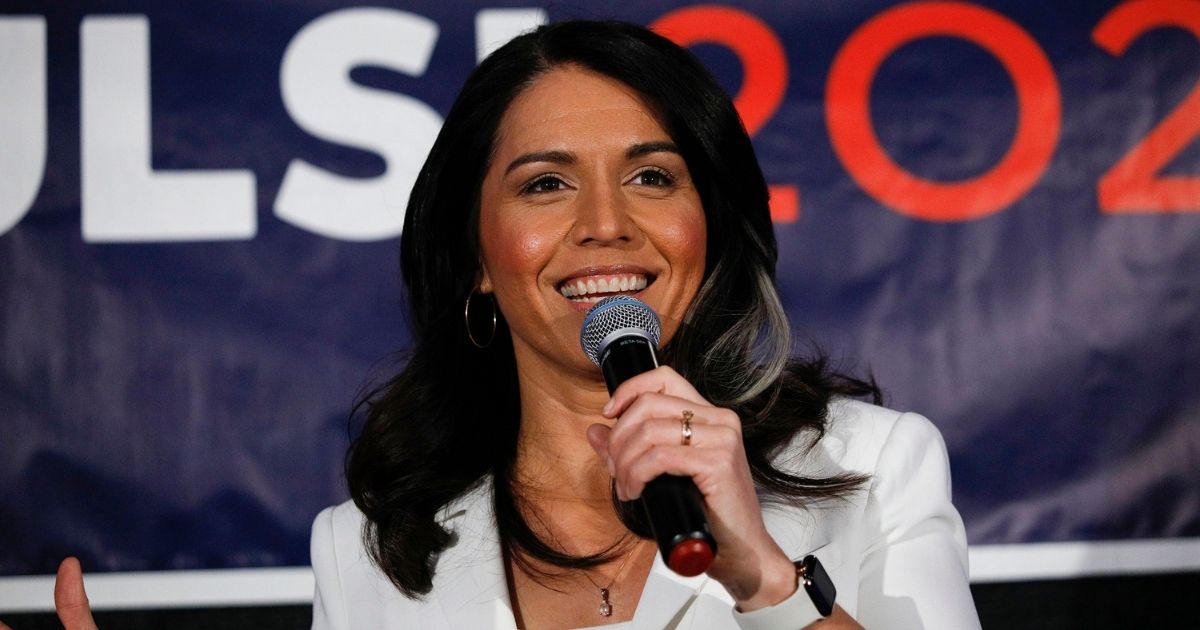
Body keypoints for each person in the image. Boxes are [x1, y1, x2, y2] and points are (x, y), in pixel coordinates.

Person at [312, 19, 980, 630]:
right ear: (475, 255)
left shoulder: (874, 467)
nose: (606, 225)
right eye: (546, 184)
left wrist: (764, 579)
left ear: (711, 226)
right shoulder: (363, 552)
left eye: (652, 177)